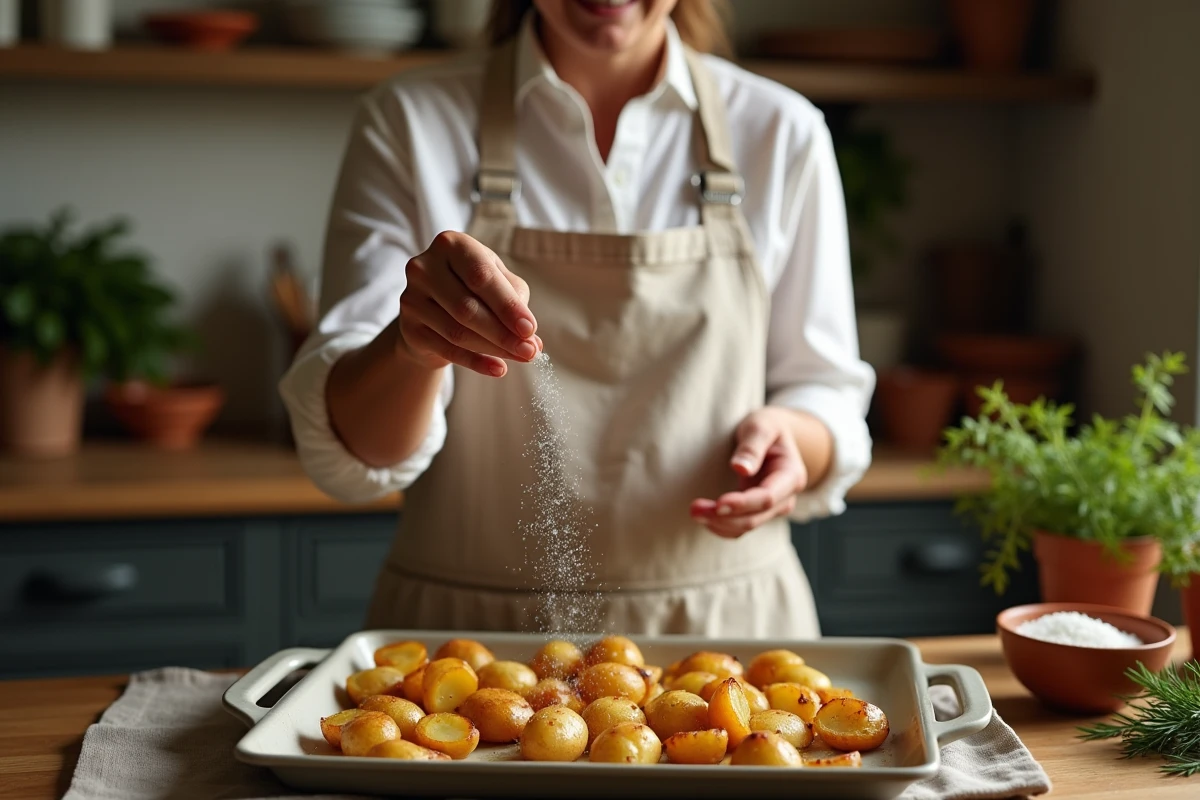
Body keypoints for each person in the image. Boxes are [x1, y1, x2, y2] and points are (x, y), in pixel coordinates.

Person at [279, 0, 875, 638]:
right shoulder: (410, 120)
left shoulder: (780, 131)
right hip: (468, 646)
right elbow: (355, 456)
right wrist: (411, 349)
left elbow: (824, 389)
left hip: (726, 637)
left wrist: (793, 440)